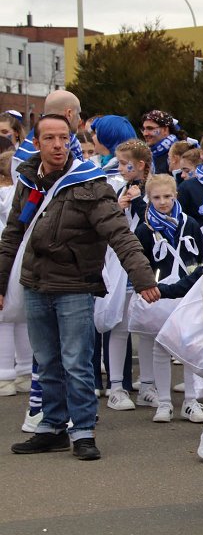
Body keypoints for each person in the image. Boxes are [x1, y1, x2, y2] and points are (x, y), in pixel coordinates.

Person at [2, 112, 159, 461]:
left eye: (64, 138)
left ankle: (84, 431)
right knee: (46, 361)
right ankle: (52, 428)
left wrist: (142, 277)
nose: (58, 145)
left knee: (76, 362)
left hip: (75, 285)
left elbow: (119, 232)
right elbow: (12, 234)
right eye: (49, 138)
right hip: (35, 283)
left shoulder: (89, 181)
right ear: (37, 142)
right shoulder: (29, 181)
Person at [133, 173, 203, 423]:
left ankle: (191, 401)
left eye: (167, 196)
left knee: (189, 346)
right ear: (148, 198)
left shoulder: (190, 224)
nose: (163, 202)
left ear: (176, 196)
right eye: (156, 198)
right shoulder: (144, 229)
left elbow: (201, 258)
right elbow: (139, 262)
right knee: (161, 345)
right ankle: (164, 402)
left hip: (187, 293)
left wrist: (194, 282)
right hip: (159, 295)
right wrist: (147, 285)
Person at [0, 150, 30, 397]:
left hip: (10, 254)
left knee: (5, 319)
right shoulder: (27, 193)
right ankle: (24, 371)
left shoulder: (13, 194)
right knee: (20, 315)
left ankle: (5, 376)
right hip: (20, 255)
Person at [90, 115, 137, 187]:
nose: (92, 137)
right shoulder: (91, 165)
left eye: (96, 133)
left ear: (107, 137)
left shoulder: (124, 176)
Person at [141, 110, 183, 175]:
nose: (145, 133)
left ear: (165, 130)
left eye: (150, 128)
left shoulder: (180, 153)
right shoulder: (149, 155)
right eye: (144, 129)